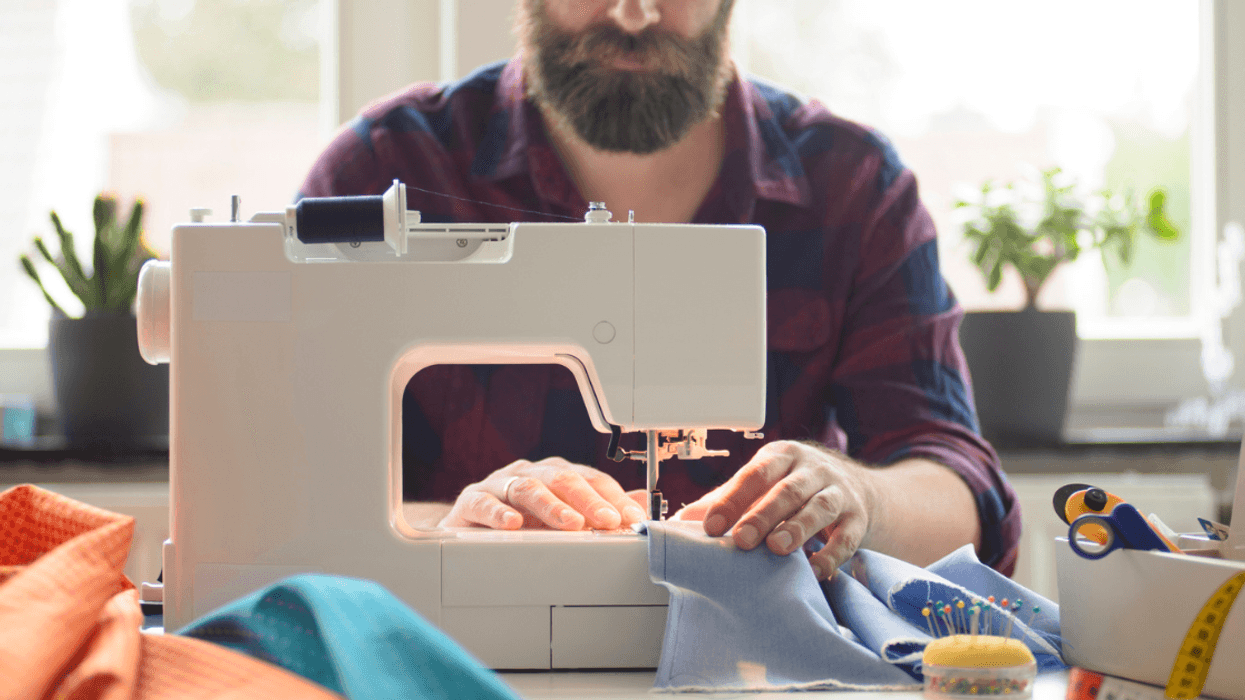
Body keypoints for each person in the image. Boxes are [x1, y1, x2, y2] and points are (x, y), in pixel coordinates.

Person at [298, 0, 1021, 578]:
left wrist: (862, 495)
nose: (634, 13)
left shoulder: (851, 184)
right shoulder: (388, 167)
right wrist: (453, 524)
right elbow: (299, 495)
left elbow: (960, 492)